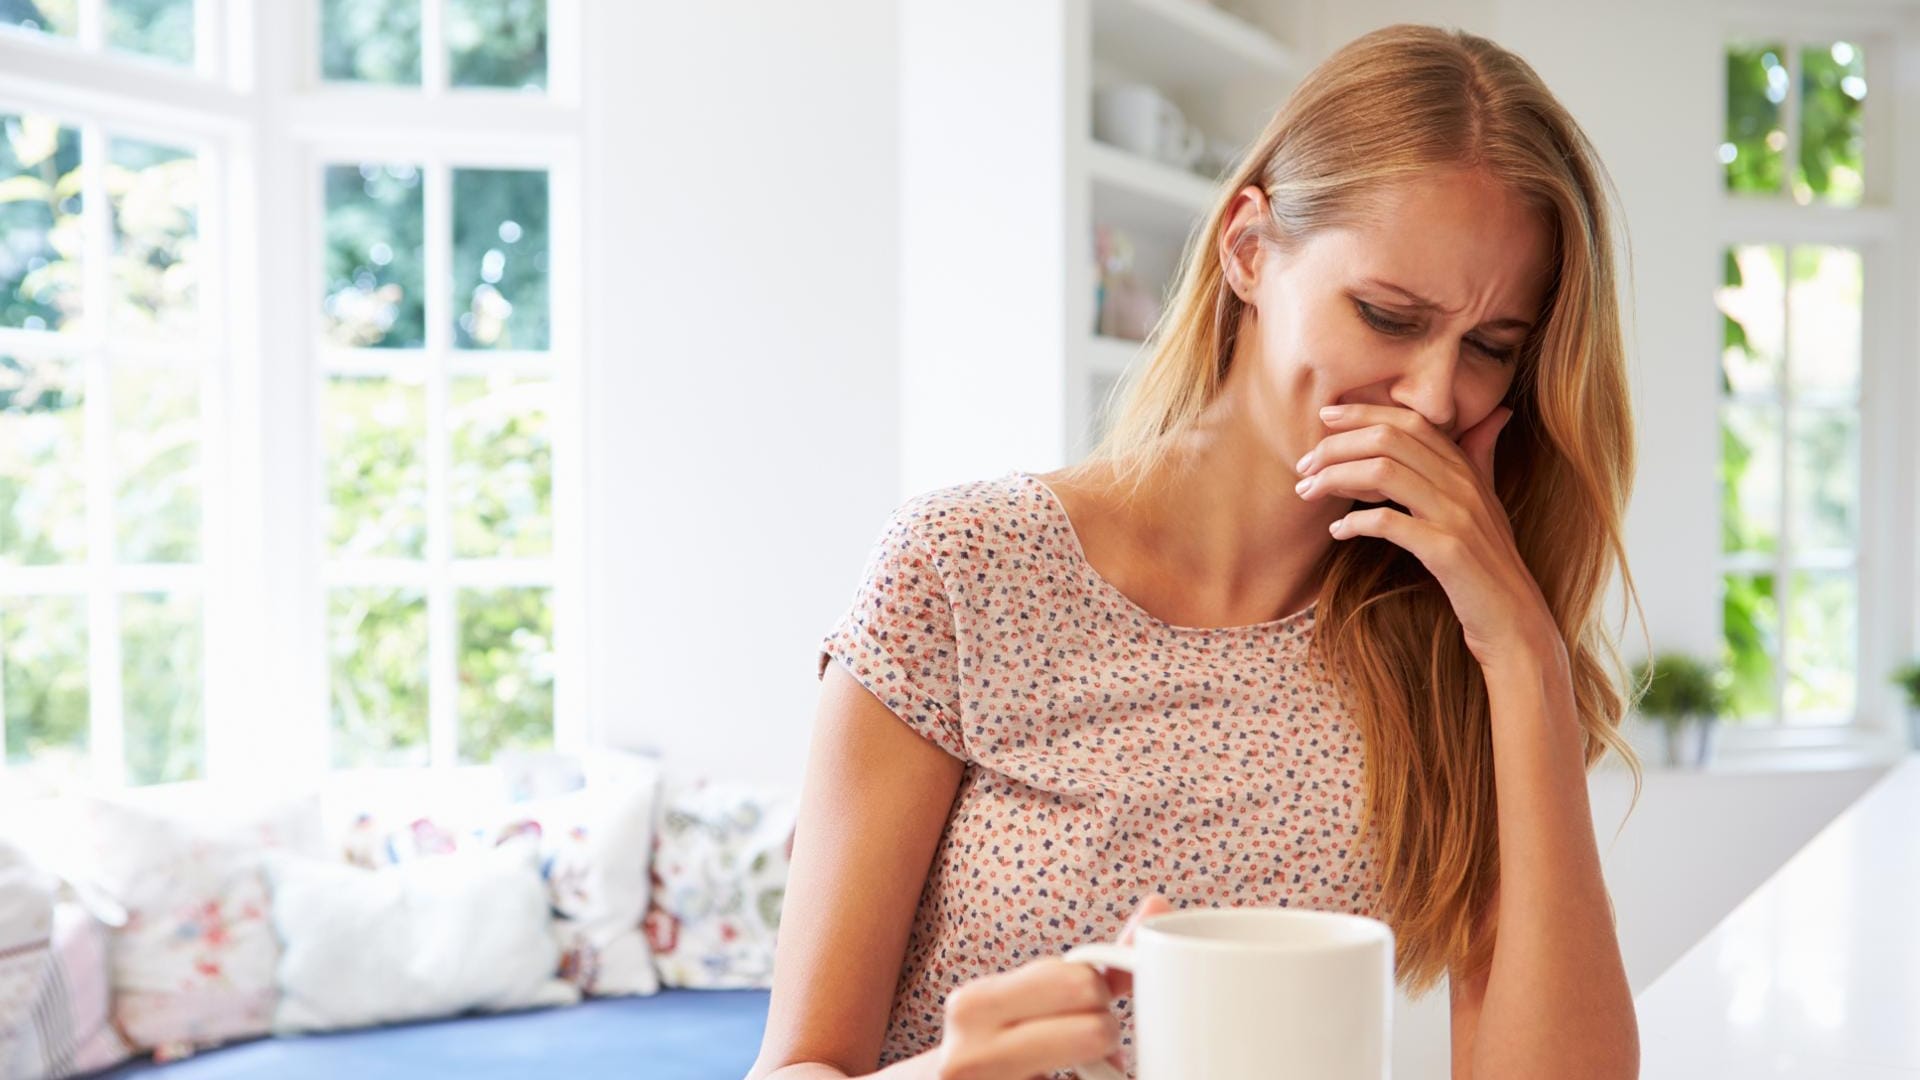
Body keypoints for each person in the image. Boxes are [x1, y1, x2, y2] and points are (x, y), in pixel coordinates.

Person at [750, 22, 1642, 1080]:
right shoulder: (964, 566)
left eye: (1491, 349)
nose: (1437, 397)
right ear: (1249, 250)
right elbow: (798, 1065)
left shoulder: (1455, 654)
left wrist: (1525, 653)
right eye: (1388, 316)